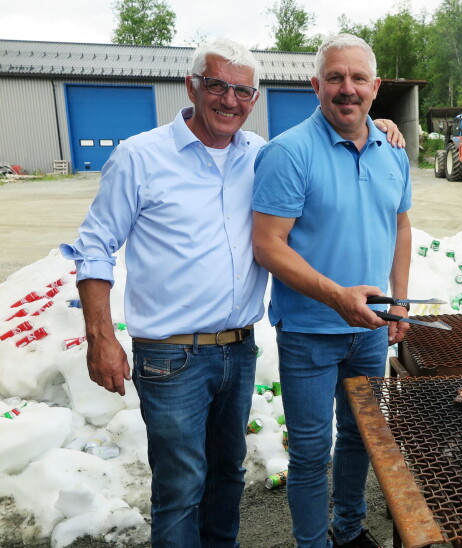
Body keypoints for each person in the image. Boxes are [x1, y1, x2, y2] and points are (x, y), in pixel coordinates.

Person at [60, 37, 403, 548]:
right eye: (217, 85)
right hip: (169, 355)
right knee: (180, 488)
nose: (229, 100)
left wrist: (383, 129)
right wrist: (100, 335)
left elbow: (357, 166)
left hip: (237, 348)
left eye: (243, 91)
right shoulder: (141, 156)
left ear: (256, 98)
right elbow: (94, 247)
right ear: (192, 86)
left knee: (228, 476)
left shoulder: (259, 154)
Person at [251, 33, 412, 548]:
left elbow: (402, 226)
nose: (348, 89)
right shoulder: (289, 152)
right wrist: (336, 296)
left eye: (358, 78)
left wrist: (400, 301)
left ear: (375, 87)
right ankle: (312, 543)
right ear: (315, 86)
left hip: (369, 329)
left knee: (360, 442)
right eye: (335, 78)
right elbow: (268, 246)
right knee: (311, 452)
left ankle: (348, 530)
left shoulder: (392, 150)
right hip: (309, 333)